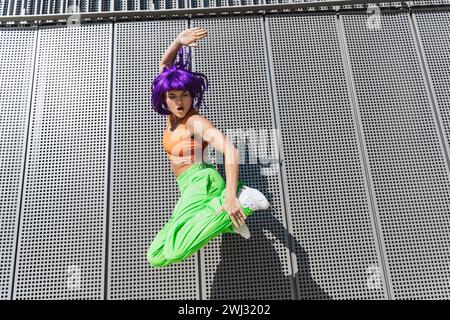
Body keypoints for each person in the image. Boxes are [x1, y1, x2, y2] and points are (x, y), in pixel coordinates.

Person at [147, 27, 270, 268]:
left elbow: (231, 150)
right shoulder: (172, 119)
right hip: (188, 189)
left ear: (191, 95)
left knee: (174, 251)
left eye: (184, 95)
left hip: (202, 181)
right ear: (164, 98)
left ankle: (240, 200)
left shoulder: (194, 121)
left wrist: (230, 194)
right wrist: (177, 42)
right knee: (156, 255)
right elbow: (164, 66)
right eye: (172, 96)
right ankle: (227, 221)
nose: (179, 101)